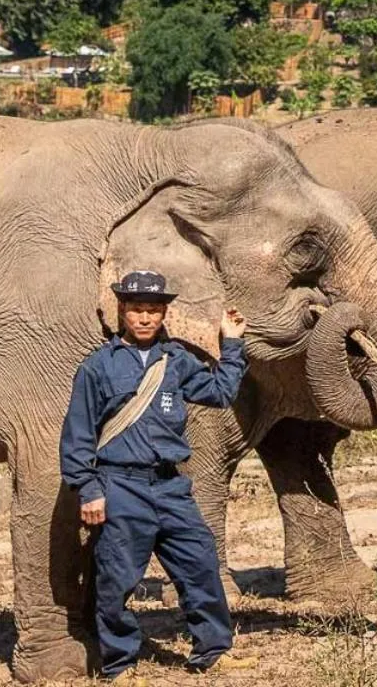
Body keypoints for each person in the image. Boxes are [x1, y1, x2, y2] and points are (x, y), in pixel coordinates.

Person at [59, 271, 257, 680]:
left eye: (153, 310)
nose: (145, 318)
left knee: (201, 562)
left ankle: (213, 650)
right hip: (120, 486)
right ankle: (120, 666)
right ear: (122, 311)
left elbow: (221, 393)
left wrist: (232, 343)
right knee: (116, 579)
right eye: (137, 310)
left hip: (171, 486)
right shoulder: (97, 367)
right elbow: (78, 435)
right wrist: (89, 489)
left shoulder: (177, 361)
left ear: (165, 313)